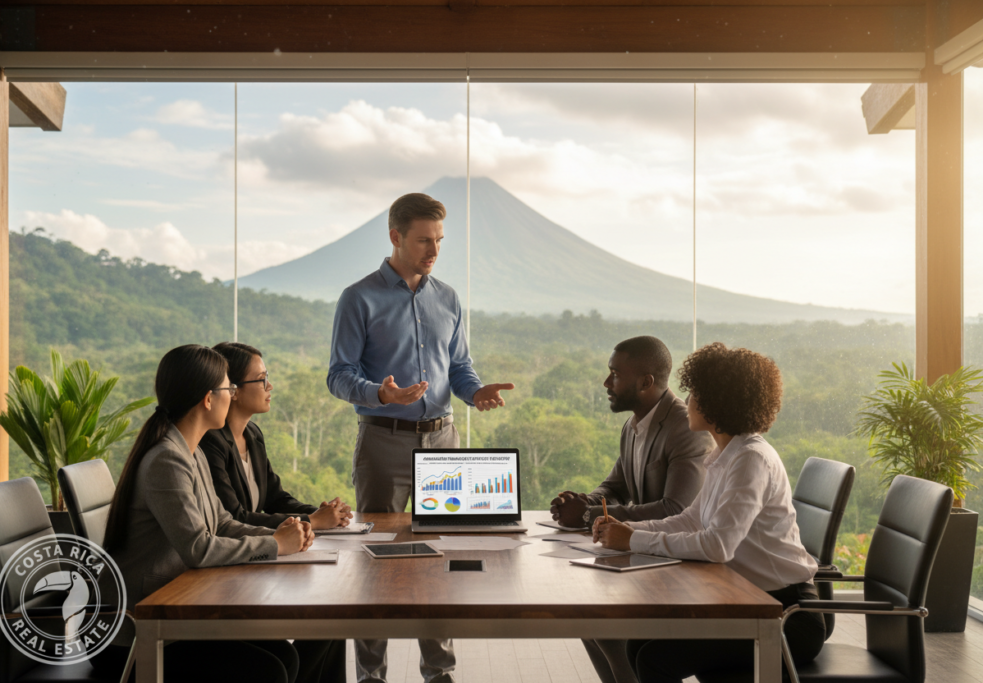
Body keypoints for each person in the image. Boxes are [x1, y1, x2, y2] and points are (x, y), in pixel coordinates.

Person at [327, 192, 515, 683]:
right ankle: (371, 675)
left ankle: (439, 673)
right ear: (395, 237)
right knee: (377, 559)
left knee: (443, 556)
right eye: (423, 240)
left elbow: (459, 367)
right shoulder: (359, 297)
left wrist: (475, 394)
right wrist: (379, 394)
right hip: (383, 441)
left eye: (439, 241)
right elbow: (338, 375)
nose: (434, 250)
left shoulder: (448, 297)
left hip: (443, 441)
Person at [93, 344, 338, 683]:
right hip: (137, 635)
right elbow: (199, 548)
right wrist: (277, 545)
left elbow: (222, 522)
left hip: (176, 609)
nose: (232, 395)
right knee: (269, 670)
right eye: (228, 388)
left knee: (284, 656)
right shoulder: (168, 459)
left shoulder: (189, 452)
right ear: (208, 399)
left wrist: (280, 536)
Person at [592, 342, 826, 683]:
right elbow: (689, 519)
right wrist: (626, 527)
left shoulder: (750, 460)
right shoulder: (725, 456)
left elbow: (718, 546)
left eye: (695, 393)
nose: (687, 401)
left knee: (656, 658)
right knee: (639, 645)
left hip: (785, 616)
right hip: (745, 602)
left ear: (719, 402)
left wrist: (634, 540)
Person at [549, 335, 713, 683]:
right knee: (587, 617)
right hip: (645, 557)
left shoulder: (686, 428)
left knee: (605, 624)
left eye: (614, 374)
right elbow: (615, 486)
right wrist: (580, 502)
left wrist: (590, 516)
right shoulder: (634, 424)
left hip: (682, 568)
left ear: (645, 382)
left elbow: (676, 508)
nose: (607, 383)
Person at [201, 341, 353, 532]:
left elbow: (276, 499)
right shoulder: (211, 442)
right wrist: (312, 520)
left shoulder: (253, 434)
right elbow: (234, 517)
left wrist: (324, 513)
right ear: (233, 390)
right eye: (261, 379)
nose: (269, 386)